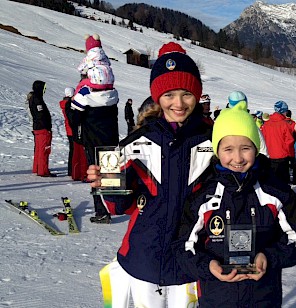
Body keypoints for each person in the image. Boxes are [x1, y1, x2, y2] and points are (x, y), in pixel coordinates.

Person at [87, 42, 214, 307]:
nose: (178, 103)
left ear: (197, 95)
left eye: (186, 94)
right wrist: (106, 183)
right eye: (168, 95)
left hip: (190, 260)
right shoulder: (137, 141)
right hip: (145, 258)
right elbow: (119, 206)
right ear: (157, 97)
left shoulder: (213, 141)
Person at [172, 101, 296, 307]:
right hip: (217, 298)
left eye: (245, 148)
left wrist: (268, 257)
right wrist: (208, 266)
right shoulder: (203, 197)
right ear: (217, 151)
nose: (237, 158)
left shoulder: (276, 193)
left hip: (263, 298)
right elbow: (183, 246)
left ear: (256, 148)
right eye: (228, 149)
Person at [72, 43, 120, 222]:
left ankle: (102, 211)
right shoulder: (113, 94)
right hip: (111, 137)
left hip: (92, 140)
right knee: (111, 174)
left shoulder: (85, 93)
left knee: (96, 175)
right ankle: (116, 205)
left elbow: (75, 115)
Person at [261, 100, 294, 184]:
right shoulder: (285, 124)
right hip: (282, 157)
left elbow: (263, 139)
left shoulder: (266, 124)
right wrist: (291, 156)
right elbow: (289, 141)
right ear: (283, 111)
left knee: (271, 181)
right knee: (282, 181)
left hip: (269, 156)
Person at [28, 80, 55, 177]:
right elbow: (41, 115)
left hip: (37, 128)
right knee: (44, 150)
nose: (45, 90)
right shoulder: (37, 99)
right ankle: (43, 171)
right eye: (44, 88)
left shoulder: (34, 98)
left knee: (39, 149)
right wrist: (47, 127)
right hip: (42, 128)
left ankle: (37, 168)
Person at [59, 87, 75, 176]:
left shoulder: (64, 104)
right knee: (74, 150)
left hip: (68, 129)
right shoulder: (70, 104)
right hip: (72, 129)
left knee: (72, 150)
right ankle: (72, 169)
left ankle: (71, 169)